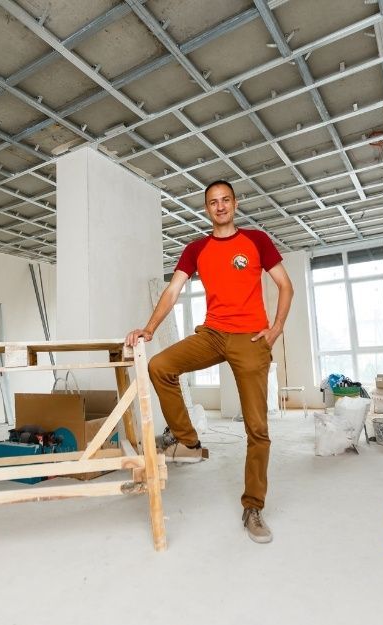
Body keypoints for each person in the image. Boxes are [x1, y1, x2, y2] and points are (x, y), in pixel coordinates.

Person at [125, 180, 293, 544]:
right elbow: (173, 290)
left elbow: (285, 285)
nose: (220, 207)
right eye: (213, 202)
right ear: (206, 208)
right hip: (212, 334)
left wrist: (275, 329)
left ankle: (253, 506)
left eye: (225, 200)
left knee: (257, 429)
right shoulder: (196, 249)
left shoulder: (257, 241)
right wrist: (149, 329)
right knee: (160, 366)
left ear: (235, 203)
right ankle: (187, 439)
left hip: (250, 338)